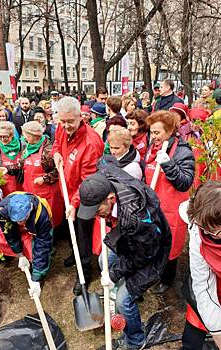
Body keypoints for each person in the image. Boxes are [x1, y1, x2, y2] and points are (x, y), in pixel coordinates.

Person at [78, 160, 172, 350]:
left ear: (111, 198)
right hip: (132, 240)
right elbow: (106, 161)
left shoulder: (135, 219)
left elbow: (143, 255)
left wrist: (114, 275)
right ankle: (122, 290)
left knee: (123, 300)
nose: (97, 216)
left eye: (98, 211)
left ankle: (136, 340)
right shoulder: (106, 174)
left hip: (152, 253)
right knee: (103, 260)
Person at [52, 96, 104, 295]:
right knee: (70, 226)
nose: (65, 126)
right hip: (68, 187)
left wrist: (74, 203)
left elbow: (87, 182)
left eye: (70, 122)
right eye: (62, 121)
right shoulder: (62, 127)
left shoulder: (91, 143)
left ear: (81, 117)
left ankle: (84, 271)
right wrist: (57, 153)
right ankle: (75, 255)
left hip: (85, 195)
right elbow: (57, 143)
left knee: (82, 232)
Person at [143, 110, 195, 293]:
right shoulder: (152, 148)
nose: (153, 136)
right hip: (153, 205)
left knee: (170, 244)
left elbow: (184, 183)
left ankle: (167, 278)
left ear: (171, 130)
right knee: (154, 241)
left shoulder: (182, 151)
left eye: (157, 132)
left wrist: (168, 164)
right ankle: (154, 272)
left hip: (172, 210)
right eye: (151, 132)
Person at [180, 181, 221, 350]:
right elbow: (202, 287)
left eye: (216, 232)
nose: (209, 234)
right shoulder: (198, 228)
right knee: (192, 341)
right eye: (205, 229)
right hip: (209, 283)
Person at [0, 192, 54, 298]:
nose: (20, 223)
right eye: (17, 220)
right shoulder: (3, 209)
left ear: (30, 210)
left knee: (37, 253)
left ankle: (40, 272)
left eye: (22, 219)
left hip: (38, 228)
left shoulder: (41, 216)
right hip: (22, 224)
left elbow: (42, 245)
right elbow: (10, 234)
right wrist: (20, 254)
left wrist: (36, 278)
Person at [0, 121, 23, 197]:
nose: (2, 139)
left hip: (21, 184)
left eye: (5, 136)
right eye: (0, 136)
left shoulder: (23, 146)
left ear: (12, 135)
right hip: (3, 186)